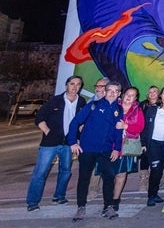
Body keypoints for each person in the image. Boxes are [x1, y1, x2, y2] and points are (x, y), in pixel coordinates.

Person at [26, 75, 87, 212]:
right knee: (40, 172)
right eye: (72, 83)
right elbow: (39, 118)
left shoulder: (82, 102)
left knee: (65, 171)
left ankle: (59, 196)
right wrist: (48, 132)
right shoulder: (55, 100)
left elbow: (82, 122)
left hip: (68, 143)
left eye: (78, 84)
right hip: (50, 143)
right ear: (66, 85)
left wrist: (79, 137)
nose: (75, 87)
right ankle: (33, 202)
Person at [68, 81, 124, 221]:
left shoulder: (119, 109)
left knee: (109, 177)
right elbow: (75, 122)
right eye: (109, 90)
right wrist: (73, 142)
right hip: (87, 149)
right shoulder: (93, 105)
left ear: (119, 94)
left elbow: (118, 130)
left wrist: (117, 149)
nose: (112, 93)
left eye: (115, 91)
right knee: (84, 178)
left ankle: (108, 207)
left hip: (106, 150)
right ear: (104, 92)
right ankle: (81, 207)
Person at [142, 85, 164, 206]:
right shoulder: (152, 109)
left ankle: (155, 194)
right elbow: (145, 127)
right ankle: (151, 196)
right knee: (155, 169)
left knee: (160, 170)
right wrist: (144, 143)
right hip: (154, 143)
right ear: (160, 95)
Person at [112, 86, 145, 212]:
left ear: (135, 98)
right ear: (123, 94)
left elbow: (140, 127)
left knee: (121, 174)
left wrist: (126, 126)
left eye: (132, 95)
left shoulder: (137, 110)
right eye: (127, 94)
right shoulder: (114, 105)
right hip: (110, 145)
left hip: (126, 146)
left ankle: (115, 199)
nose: (129, 97)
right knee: (109, 173)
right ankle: (108, 197)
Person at [88, 76, 110, 199]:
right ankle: (92, 189)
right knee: (95, 165)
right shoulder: (91, 102)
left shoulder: (114, 101)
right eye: (96, 86)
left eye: (100, 86)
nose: (97, 89)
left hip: (110, 139)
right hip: (94, 140)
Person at [138, 85, 159, 191]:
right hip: (144, 134)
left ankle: (153, 182)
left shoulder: (161, 105)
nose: (152, 94)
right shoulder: (143, 105)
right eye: (150, 92)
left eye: (154, 91)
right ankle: (143, 181)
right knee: (144, 158)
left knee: (155, 160)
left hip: (156, 136)